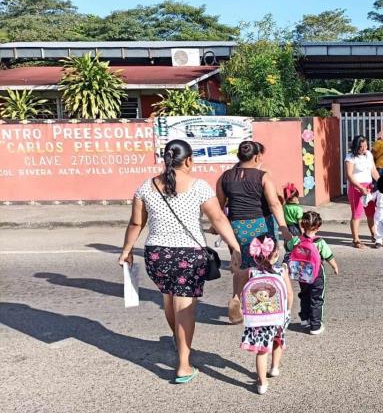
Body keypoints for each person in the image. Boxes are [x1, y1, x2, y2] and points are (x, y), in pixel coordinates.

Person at [118, 139, 242, 384]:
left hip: (156, 254)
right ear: (188, 160)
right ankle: (183, 364)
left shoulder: (146, 186)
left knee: (169, 298)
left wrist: (126, 250)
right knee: (184, 308)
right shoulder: (199, 187)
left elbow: (136, 223)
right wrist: (234, 246)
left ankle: (180, 344)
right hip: (188, 255)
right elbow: (217, 219)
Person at [216, 140, 293, 325]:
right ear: (257, 157)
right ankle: (260, 304)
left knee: (241, 264)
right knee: (264, 265)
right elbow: (274, 204)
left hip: (236, 227)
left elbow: (219, 205)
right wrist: (284, 228)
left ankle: (236, 300)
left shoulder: (225, 177)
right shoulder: (262, 177)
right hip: (261, 225)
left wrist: (217, 226)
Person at [240, 235, 293, 395]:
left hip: (257, 319)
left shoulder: (250, 272)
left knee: (262, 350)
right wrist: (288, 311)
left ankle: (262, 383)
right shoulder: (282, 270)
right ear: (276, 253)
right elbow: (289, 294)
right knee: (278, 341)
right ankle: (275, 368)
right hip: (278, 317)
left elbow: (239, 285)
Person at [285, 211, 339, 335]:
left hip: (301, 273)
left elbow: (288, 247)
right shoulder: (319, 242)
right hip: (316, 274)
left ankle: (305, 319)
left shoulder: (296, 240)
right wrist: (335, 266)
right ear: (318, 227)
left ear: (302, 225)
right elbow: (329, 256)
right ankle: (315, 325)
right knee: (316, 298)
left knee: (304, 295)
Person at [345, 135, 380, 248]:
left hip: (369, 187)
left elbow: (373, 170)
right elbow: (349, 175)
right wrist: (360, 188)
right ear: (356, 147)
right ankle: (356, 240)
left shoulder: (369, 155)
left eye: (365, 145)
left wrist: (382, 182)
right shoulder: (350, 157)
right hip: (356, 188)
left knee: (371, 212)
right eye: (361, 147)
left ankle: (374, 234)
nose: (364, 148)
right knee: (357, 214)